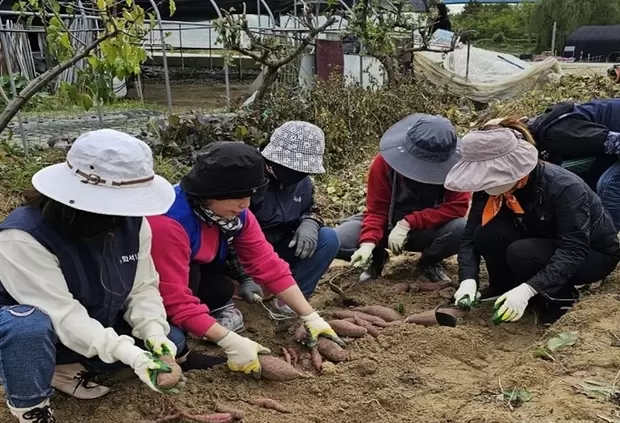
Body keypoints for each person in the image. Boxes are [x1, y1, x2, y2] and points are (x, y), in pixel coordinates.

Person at [0, 129, 188, 423]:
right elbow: (63, 315)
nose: (124, 215)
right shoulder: (23, 236)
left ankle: (63, 369)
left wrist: (153, 331)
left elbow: (143, 286)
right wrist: (128, 353)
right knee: (27, 328)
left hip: (93, 317)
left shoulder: (132, 222)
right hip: (35, 329)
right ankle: (34, 418)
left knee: (175, 339)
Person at [147, 141, 345, 377]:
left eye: (250, 195)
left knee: (218, 290)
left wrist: (310, 315)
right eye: (238, 197)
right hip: (144, 288)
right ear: (210, 194)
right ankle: (181, 351)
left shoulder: (235, 214)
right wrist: (230, 341)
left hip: (200, 269)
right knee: (172, 338)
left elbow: (267, 263)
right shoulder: (168, 222)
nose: (246, 204)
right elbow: (175, 298)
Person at [446, 126, 620, 325]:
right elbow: (469, 237)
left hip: (591, 253)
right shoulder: (487, 188)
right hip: (540, 236)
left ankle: (559, 299)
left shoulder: (564, 187)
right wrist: (468, 279)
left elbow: (573, 249)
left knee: (521, 253)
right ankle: (502, 288)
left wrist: (528, 289)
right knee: (487, 233)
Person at [334, 114, 470, 283]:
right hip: (386, 224)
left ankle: (429, 262)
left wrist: (409, 223)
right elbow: (377, 209)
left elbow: (458, 206)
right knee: (336, 241)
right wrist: (368, 243)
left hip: (428, 229)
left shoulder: (457, 167)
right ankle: (376, 258)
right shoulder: (384, 162)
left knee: (463, 229)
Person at [228, 121, 340, 316]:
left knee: (328, 239)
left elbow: (312, 208)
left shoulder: (302, 182)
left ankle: (291, 303)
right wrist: (244, 275)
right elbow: (227, 231)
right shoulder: (248, 179)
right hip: (242, 253)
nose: (299, 174)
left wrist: (310, 221)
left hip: (280, 246)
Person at [525, 98, 620, 231]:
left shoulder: (559, 134)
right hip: (608, 143)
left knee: (608, 186)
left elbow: (615, 142)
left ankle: (611, 239)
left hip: (616, 139)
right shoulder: (538, 131)